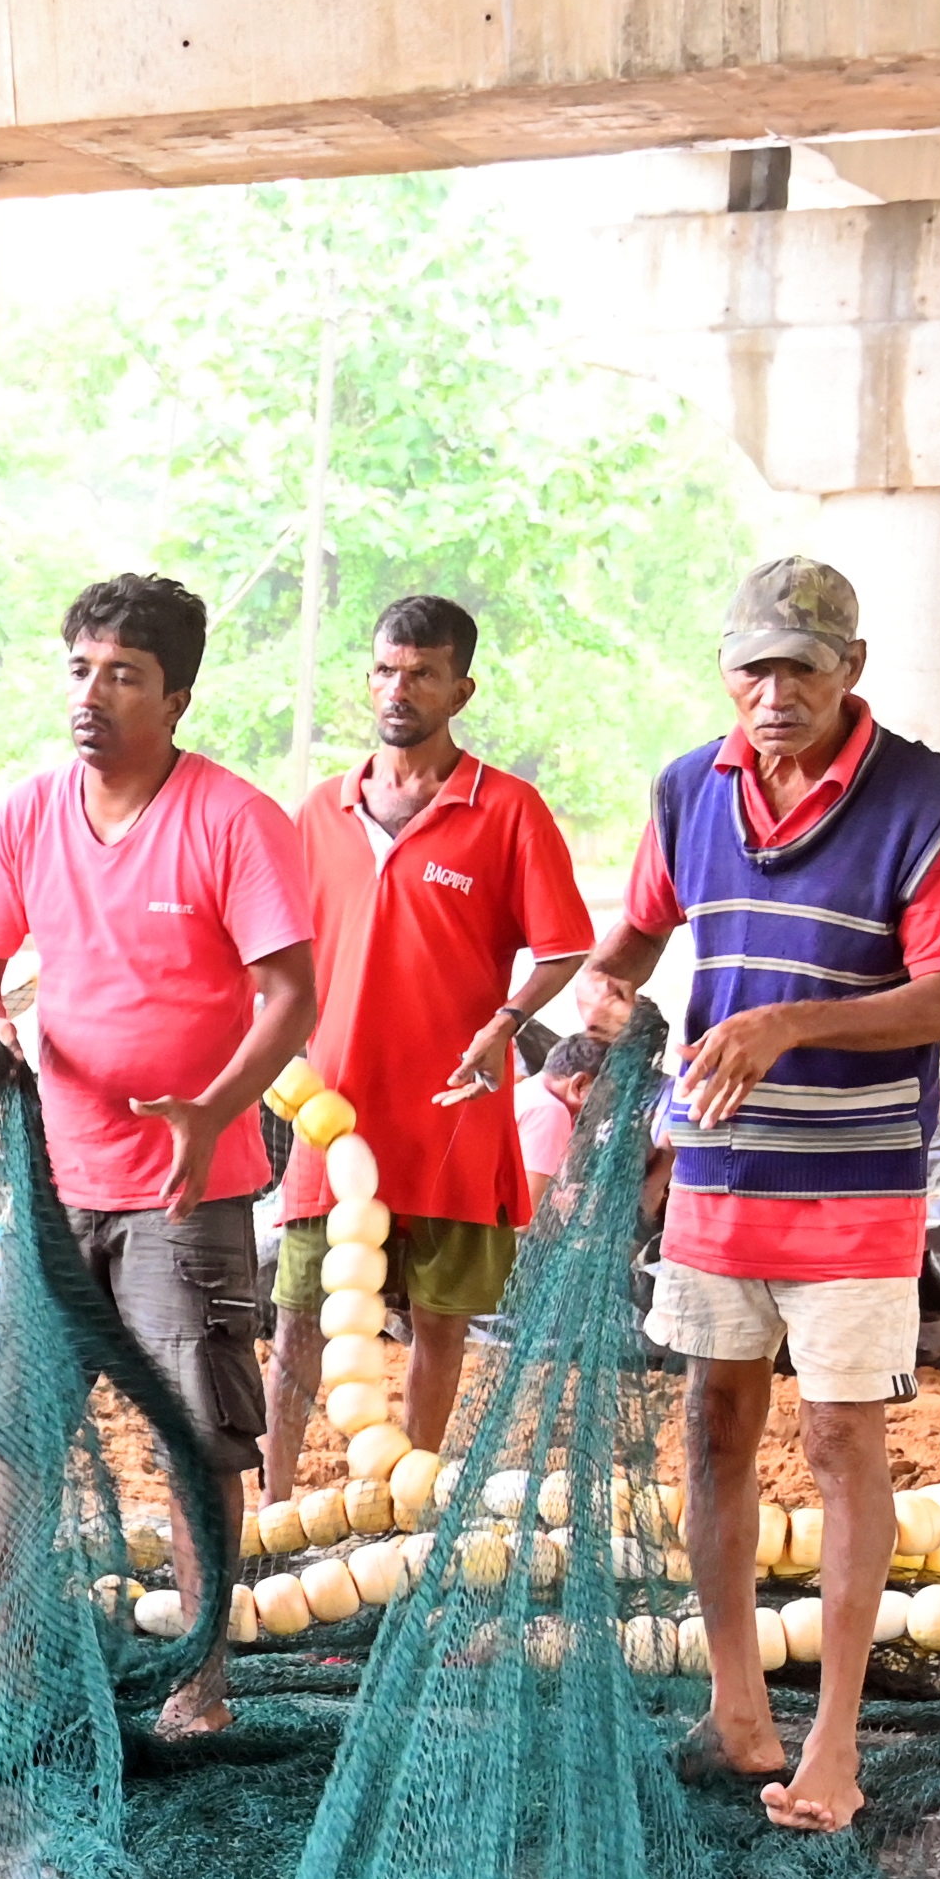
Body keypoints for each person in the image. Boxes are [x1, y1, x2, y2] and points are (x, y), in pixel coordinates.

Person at [570, 555, 940, 1837]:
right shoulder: (690, 788)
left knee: (839, 1440)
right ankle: (738, 1707)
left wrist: (785, 1024)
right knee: (713, 1426)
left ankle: (836, 1744)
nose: (773, 693)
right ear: (727, 670)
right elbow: (636, 934)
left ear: (850, 672)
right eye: (753, 666)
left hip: (854, 1185)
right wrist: (597, 1000)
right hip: (718, 1171)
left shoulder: (929, 805)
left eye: (801, 668)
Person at [0, 573, 316, 1725]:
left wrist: (215, 1109)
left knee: (199, 1438)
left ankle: (201, 1678)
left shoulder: (234, 819)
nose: (92, 695)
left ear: (177, 697)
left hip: (185, 1190)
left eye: (123, 675)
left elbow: (291, 994)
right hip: (50, 1187)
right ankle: (11, 1666)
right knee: (18, 1432)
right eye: (80, 669)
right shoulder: (26, 813)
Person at [271, 592, 591, 1494]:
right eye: (384, 670)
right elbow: (271, 952)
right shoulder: (319, 812)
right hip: (332, 1117)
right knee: (300, 1317)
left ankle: (405, 1504)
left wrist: (506, 1021)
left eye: (421, 674)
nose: (397, 689)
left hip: (454, 1113)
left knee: (437, 1326)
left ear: (461, 689)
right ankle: (271, 1505)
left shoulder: (510, 810)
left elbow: (565, 944)